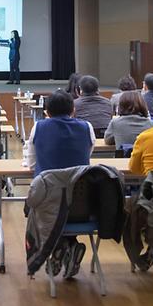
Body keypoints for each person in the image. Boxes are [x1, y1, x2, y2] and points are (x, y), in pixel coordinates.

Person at [26, 90, 94, 279]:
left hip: (48, 203)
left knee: (34, 206)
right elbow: (85, 158)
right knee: (67, 202)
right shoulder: (86, 127)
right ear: (73, 109)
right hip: (82, 205)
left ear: (46, 111)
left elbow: (31, 162)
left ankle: (60, 247)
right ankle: (69, 245)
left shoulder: (38, 128)